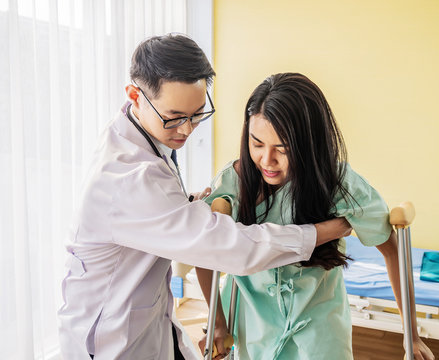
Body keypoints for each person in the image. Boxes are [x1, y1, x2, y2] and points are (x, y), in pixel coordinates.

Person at [57, 35, 351, 360]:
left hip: (147, 319)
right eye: (174, 116)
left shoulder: (142, 134)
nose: (186, 129)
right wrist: (328, 230)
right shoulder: (128, 178)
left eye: (197, 114)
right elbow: (228, 248)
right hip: (110, 339)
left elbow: (157, 215)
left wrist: (186, 209)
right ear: (134, 96)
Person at [196, 73, 435, 360]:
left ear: (308, 145)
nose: (267, 161)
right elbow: (206, 253)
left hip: (320, 329)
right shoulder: (234, 183)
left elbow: (391, 248)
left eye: (282, 149)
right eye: (257, 144)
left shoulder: (338, 183)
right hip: (253, 325)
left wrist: (412, 334)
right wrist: (218, 322)